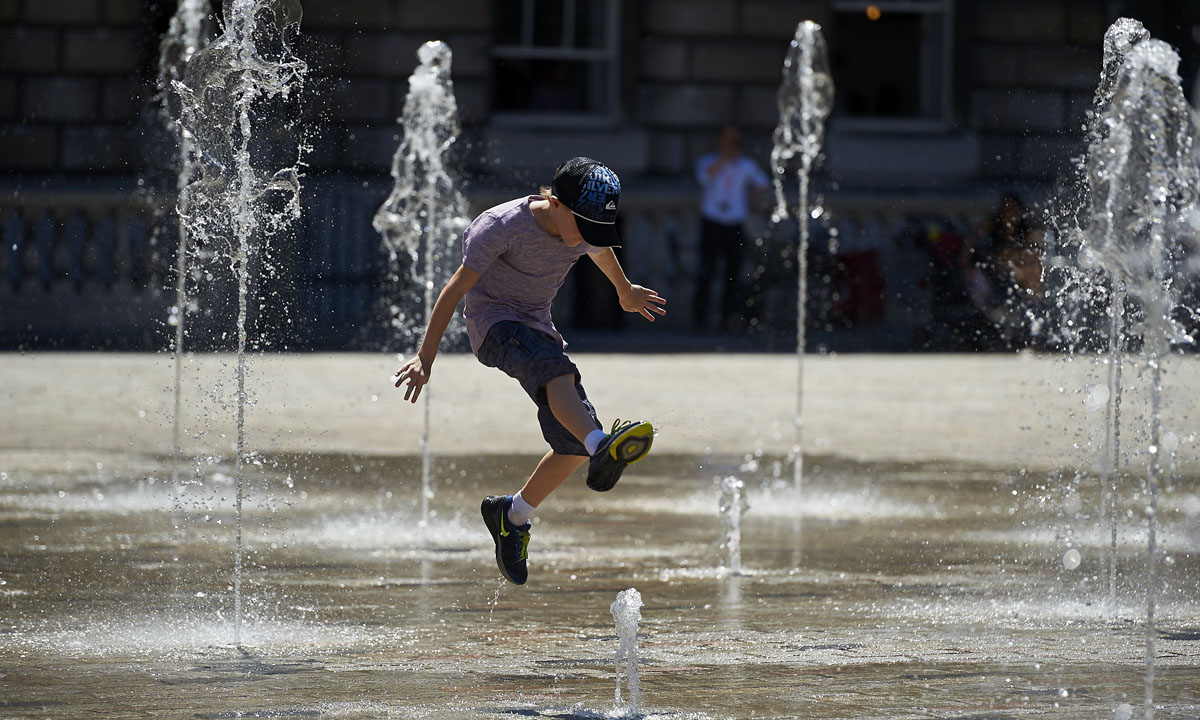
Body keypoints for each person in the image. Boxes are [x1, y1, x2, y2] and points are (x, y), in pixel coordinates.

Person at [392, 157, 667, 586]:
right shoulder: (500, 226)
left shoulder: (583, 228)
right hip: (494, 326)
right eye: (584, 226)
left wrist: (624, 289)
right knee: (555, 372)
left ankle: (513, 515)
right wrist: (425, 358)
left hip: (538, 327)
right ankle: (600, 446)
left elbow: (600, 250)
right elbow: (454, 289)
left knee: (570, 442)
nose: (588, 238)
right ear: (555, 203)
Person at [693, 125, 771, 332]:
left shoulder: (746, 165)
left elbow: (763, 183)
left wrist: (753, 198)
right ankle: (700, 319)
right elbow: (703, 177)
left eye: (734, 142)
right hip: (712, 220)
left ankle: (727, 318)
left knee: (732, 273)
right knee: (706, 271)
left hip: (735, 222)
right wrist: (724, 159)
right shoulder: (708, 161)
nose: (730, 146)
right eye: (727, 141)